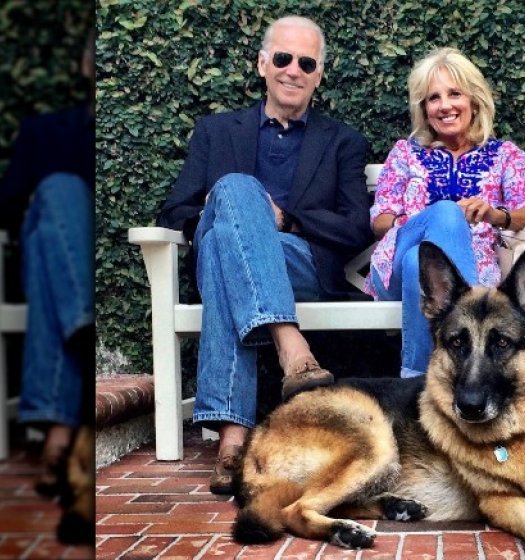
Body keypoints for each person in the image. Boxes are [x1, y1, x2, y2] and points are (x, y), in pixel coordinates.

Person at [156, 15, 372, 494]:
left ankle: (232, 439)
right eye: (282, 57)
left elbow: (357, 225)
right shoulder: (216, 132)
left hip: (302, 263)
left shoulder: (342, 142)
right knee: (228, 207)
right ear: (261, 64)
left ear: (318, 75)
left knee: (222, 245)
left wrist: (286, 222)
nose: (292, 69)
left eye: (306, 62)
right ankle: (290, 344)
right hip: (231, 259)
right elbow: (175, 212)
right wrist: (231, 217)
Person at [367, 48, 525, 378]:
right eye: (433, 98)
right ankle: (464, 353)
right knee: (441, 221)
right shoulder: (405, 153)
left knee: (415, 266)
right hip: (393, 258)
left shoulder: (504, 155)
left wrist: (495, 215)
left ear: (474, 100)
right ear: (424, 108)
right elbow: (379, 222)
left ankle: (416, 383)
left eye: (454, 94)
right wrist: (430, 218)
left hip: (471, 270)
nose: (445, 105)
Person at [0, 30, 96, 496]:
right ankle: (83, 319)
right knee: (58, 192)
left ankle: (56, 440)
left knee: (53, 283)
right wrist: (45, 201)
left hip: (66, 272)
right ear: (86, 65)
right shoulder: (45, 131)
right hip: (48, 237)